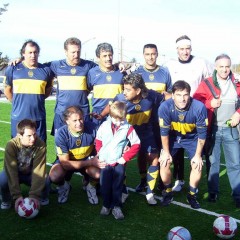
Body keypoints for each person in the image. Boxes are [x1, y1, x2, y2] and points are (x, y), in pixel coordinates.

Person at [100, 73, 164, 205]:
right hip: (126, 134)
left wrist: (179, 96)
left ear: (139, 90)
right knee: (121, 160)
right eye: (124, 88)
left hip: (146, 132)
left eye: (128, 89)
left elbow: (165, 96)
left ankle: (149, 191)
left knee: (153, 158)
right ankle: (123, 190)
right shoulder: (120, 98)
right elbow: (111, 106)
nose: (124, 92)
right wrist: (101, 115)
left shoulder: (151, 96)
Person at [164, 35, 213, 192]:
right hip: (176, 112)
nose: (185, 52)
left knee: (200, 146)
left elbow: (215, 79)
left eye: (188, 48)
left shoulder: (202, 63)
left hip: (196, 111)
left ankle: (203, 183)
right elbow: (163, 84)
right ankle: (179, 179)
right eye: (182, 48)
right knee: (177, 148)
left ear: (191, 48)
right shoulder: (169, 64)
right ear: (177, 49)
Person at [193, 54, 240, 208]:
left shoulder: (237, 82)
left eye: (227, 66)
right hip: (212, 129)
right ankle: (213, 192)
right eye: (221, 66)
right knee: (213, 163)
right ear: (216, 67)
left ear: (230, 67)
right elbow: (196, 102)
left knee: (234, 163)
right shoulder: (206, 83)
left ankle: (237, 195)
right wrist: (209, 102)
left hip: (231, 129)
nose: (225, 69)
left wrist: (238, 113)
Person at [158, 80, 208, 209]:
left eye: (185, 95)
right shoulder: (164, 107)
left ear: (189, 95)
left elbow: (202, 134)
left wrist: (198, 155)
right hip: (173, 138)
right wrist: (166, 152)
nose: (182, 99)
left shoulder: (199, 107)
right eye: (179, 95)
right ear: (173, 95)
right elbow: (164, 133)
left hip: (192, 138)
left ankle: (191, 195)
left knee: (197, 165)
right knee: (164, 162)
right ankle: (168, 192)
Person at [46, 106, 106, 205]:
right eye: (74, 120)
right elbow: (65, 164)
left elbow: (106, 142)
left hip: (87, 160)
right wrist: (90, 162)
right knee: (55, 176)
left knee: (98, 173)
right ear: (67, 121)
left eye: (80, 119)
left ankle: (90, 186)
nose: (79, 123)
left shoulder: (93, 128)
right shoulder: (61, 134)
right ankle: (64, 186)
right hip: (69, 162)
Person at [133, 43, 172, 192]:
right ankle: (144, 180)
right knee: (142, 151)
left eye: (153, 54)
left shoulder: (164, 72)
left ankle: (162, 181)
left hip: (160, 118)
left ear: (157, 54)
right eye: (147, 54)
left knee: (162, 150)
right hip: (142, 118)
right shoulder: (138, 73)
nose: (150, 57)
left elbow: (168, 95)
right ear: (143, 55)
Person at [95, 101, 140, 219]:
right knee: (104, 185)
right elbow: (98, 140)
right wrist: (100, 154)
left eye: (122, 119)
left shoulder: (128, 127)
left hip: (118, 163)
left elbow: (136, 144)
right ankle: (106, 205)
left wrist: (125, 158)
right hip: (105, 163)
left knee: (117, 186)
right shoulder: (104, 126)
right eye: (116, 120)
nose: (119, 122)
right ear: (110, 115)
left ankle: (116, 207)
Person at [4, 39, 54, 142]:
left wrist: (37, 98)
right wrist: (18, 102)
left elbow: (47, 91)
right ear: (23, 54)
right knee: (18, 150)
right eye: (30, 52)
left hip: (38, 117)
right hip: (19, 117)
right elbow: (7, 90)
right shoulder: (13, 69)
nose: (33, 55)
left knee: (39, 151)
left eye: (35, 52)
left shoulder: (46, 70)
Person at [0, 119, 47, 211]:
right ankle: (6, 199)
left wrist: (34, 195)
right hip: (16, 172)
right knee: (2, 179)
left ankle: (42, 198)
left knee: (46, 180)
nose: (33, 138)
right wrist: (17, 196)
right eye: (29, 136)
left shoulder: (41, 145)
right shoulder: (11, 145)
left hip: (30, 174)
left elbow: (39, 170)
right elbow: (11, 171)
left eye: (34, 134)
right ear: (19, 135)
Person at [87, 42, 125, 127]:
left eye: (110, 55)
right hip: (98, 113)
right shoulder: (92, 73)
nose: (108, 58)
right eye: (104, 56)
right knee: (98, 139)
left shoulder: (121, 72)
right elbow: (87, 90)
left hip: (117, 113)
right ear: (98, 58)